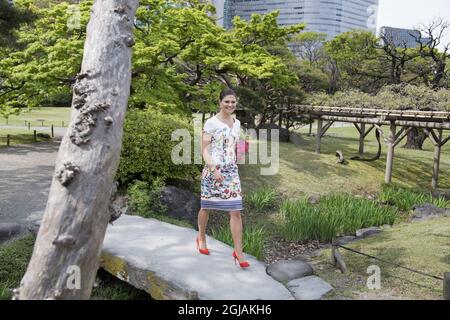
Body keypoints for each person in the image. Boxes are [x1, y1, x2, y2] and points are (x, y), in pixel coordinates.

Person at [196, 88, 250, 268]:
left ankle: (238, 251)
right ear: (220, 102)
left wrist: (241, 153)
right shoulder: (210, 123)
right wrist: (213, 169)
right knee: (206, 207)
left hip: (231, 172)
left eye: (233, 102)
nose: (230, 105)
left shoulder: (237, 123)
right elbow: (204, 149)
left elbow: (236, 145)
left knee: (235, 211)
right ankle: (201, 237)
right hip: (213, 169)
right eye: (227, 101)